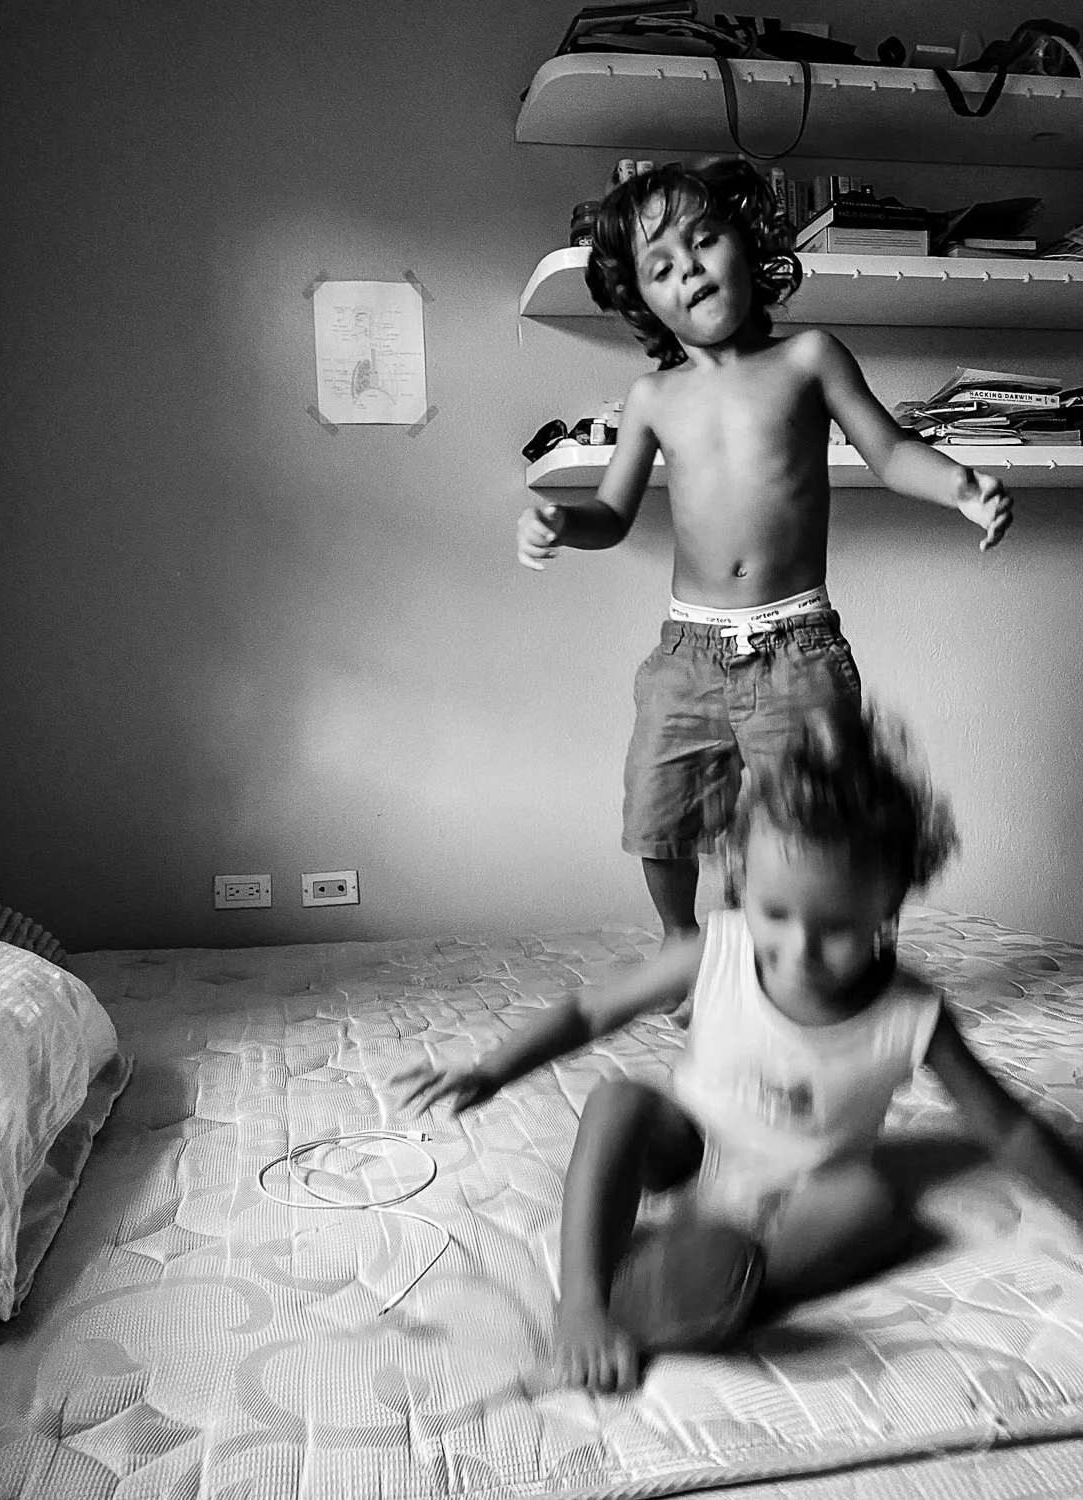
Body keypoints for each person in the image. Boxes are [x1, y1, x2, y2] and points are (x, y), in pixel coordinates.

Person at [391, 702, 1083, 1394]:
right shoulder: (716, 948)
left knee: (873, 1203)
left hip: (804, 1189)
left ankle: (716, 1291)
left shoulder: (912, 1012)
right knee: (618, 1101)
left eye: (836, 927)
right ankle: (586, 1305)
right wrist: (494, 1069)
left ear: (889, 907)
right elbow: (590, 1007)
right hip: (692, 1149)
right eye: (775, 913)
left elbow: (1008, 1126)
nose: (798, 949)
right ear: (741, 876)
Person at [516, 157, 1013, 946]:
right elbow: (612, 511)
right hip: (687, 653)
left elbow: (888, 453)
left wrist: (960, 484)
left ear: (747, 244)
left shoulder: (809, 358)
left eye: (705, 240)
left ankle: (793, 947)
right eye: (662, 267)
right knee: (657, 814)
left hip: (798, 650)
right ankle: (684, 941)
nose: (692, 271)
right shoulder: (653, 398)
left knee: (814, 827)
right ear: (638, 298)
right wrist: (561, 523)